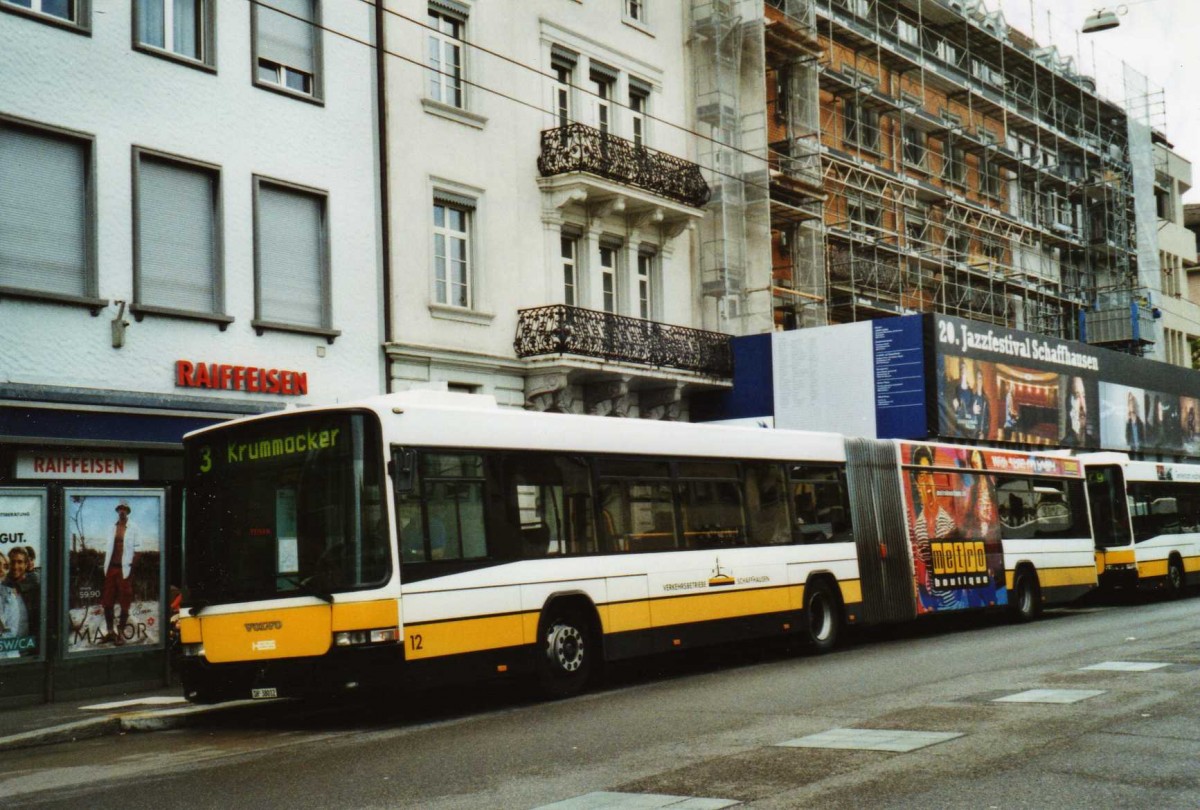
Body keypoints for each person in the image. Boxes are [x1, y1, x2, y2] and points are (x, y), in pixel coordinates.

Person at [101, 500, 141, 646]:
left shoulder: (133, 527)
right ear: (117, 511)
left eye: (125, 509)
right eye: (120, 509)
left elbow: (138, 549)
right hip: (111, 568)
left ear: (128, 511)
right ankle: (110, 631)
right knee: (107, 601)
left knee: (125, 600)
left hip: (125, 569)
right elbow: (108, 548)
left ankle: (121, 633)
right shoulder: (112, 528)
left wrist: (131, 566)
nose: (122, 511)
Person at [5, 545, 39, 652]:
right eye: (12, 562)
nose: (15, 566)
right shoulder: (4, 585)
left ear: (26, 564)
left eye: (20, 562)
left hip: (28, 649)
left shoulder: (36, 587)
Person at [0, 551, 30, 660]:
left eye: (5, 566)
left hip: (16, 653)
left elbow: (12, 631)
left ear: (26, 564)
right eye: (12, 563)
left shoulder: (11, 594)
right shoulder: (9, 590)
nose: (2, 570)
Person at [970, 368, 991, 440]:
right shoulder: (972, 397)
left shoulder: (985, 399)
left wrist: (985, 432)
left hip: (984, 434)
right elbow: (968, 416)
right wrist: (972, 411)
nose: (980, 380)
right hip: (974, 434)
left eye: (981, 378)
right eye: (978, 378)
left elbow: (988, 417)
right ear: (976, 380)